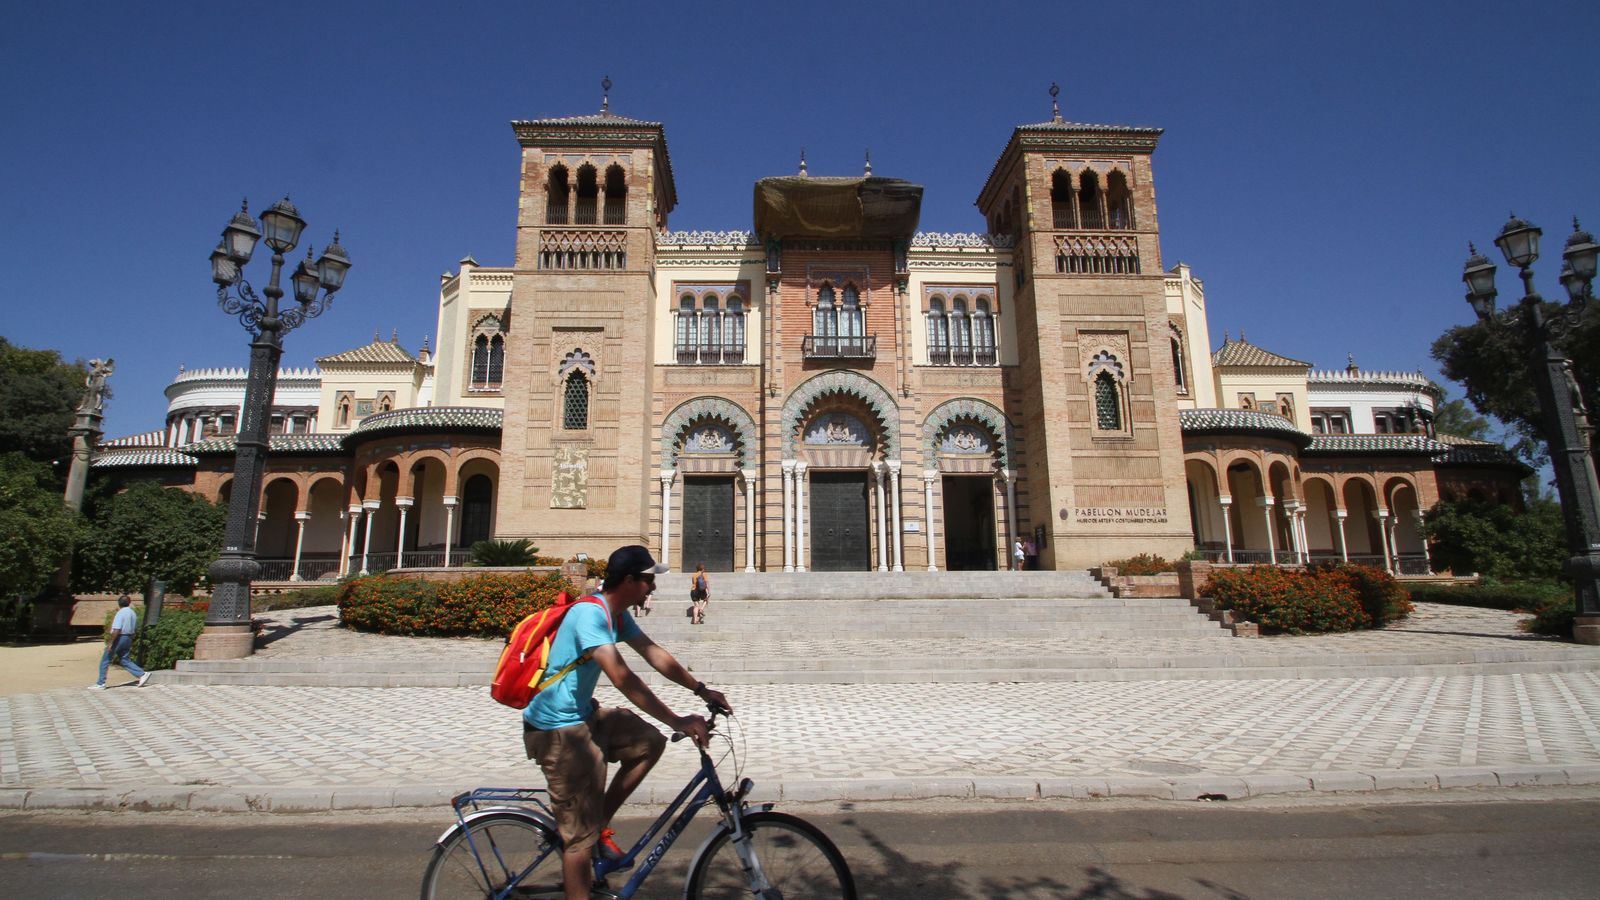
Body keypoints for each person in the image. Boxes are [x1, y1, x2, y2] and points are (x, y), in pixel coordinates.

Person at [524, 545, 730, 900]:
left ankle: (597, 825)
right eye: (648, 580)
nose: (653, 588)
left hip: (583, 715)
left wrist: (701, 689)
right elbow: (621, 676)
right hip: (557, 729)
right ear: (629, 581)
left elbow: (653, 654)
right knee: (578, 845)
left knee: (649, 742)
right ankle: (585, 839)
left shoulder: (617, 614)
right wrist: (676, 719)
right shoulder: (590, 615)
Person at [89, 594, 149, 690]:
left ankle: (101, 683)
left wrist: (110, 643)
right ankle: (142, 674)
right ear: (129, 603)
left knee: (106, 659)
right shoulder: (132, 613)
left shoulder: (120, 613)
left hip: (120, 637)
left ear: (119, 603)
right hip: (128, 637)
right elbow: (134, 628)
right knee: (124, 659)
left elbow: (117, 629)